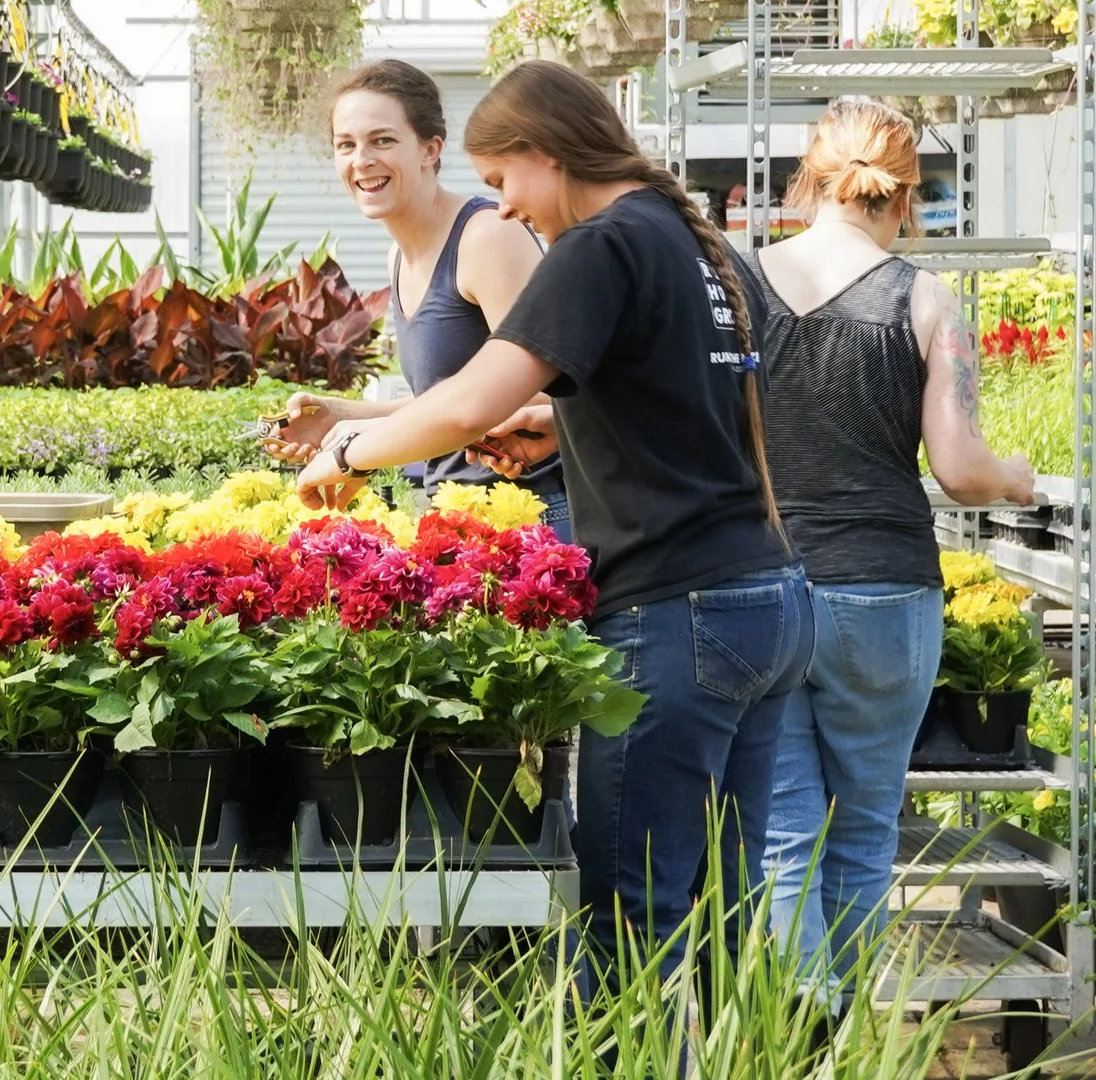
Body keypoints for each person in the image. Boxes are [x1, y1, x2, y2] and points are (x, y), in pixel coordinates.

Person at [292, 59, 814, 973]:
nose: (502, 211)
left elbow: (461, 406)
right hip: (768, 597)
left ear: (547, 154)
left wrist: (344, 452)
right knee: (726, 919)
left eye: (503, 183)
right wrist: (555, 425)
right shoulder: (694, 243)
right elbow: (685, 406)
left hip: (675, 611)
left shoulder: (600, 244)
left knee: (628, 920)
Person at [747, 98, 1036, 994]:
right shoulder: (922, 295)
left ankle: (787, 1039)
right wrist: (1017, 475)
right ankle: (848, 1040)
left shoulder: (738, 283)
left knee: (785, 834)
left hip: (764, 587)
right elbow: (958, 469)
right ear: (904, 195)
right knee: (867, 828)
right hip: (882, 593)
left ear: (808, 179)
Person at [260, 59, 569, 537]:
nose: (361, 159)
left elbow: (541, 391)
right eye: (346, 144)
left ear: (430, 148)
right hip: (455, 515)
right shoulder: (397, 259)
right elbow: (446, 404)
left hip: (534, 519)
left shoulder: (486, 237)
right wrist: (338, 417)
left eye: (382, 140)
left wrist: (355, 448)